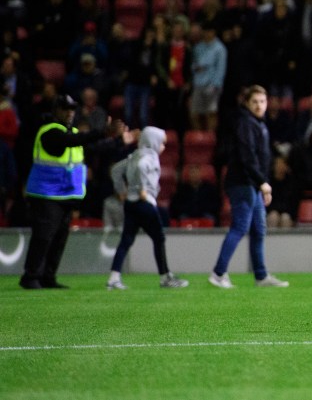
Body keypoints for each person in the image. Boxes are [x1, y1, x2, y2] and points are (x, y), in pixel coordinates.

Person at [20, 95, 136, 289]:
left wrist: (119, 141)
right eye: (65, 109)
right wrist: (103, 132)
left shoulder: (71, 133)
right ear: (55, 110)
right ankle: (30, 276)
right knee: (44, 236)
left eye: (72, 109)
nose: (69, 113)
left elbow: (93, 148)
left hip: (66, 194)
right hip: (46, 192)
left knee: (59, 237)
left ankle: (48, 277)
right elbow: (77, 140)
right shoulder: (49, 132)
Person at [209, 85, 289, 289]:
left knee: (258, 229)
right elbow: (247, 157)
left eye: (262, 101)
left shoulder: (256, 123)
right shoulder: (245, 123)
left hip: (252, 184)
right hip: (242, 183)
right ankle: (218, 273)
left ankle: (260, 276)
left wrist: (262, 182)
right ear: (247, 103)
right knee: (241, 227)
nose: (259, 105)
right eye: (255, 102)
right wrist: (263, 183)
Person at [106, 127, 189, 290]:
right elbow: (142, 167)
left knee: (126, 241)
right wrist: (142, 188)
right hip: (144, 203)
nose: (163, 147)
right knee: (159, 238)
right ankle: (165, 277)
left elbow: (116, 170)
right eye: (161, 143)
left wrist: (122, 190)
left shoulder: (134, 155)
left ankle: (114, 278)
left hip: (130, 203)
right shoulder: (148, 156)